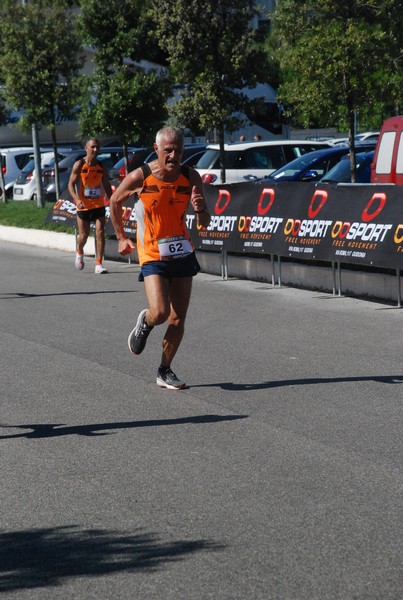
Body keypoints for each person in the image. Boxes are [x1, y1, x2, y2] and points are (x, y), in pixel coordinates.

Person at [109, 126, 210, 390]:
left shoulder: (191, 177)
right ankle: (146, 321)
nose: (173, 155)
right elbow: (114, 201)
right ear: (157, 150)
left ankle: (164, 370)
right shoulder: (141, 176)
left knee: (178, 318)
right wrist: (121, 237)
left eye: (178, 150)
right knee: (161, 312)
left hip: (181, 251)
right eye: (168, 150)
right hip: (152, 253)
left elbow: (205, 223)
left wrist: (201, 211)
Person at [68, 138, 112, 274]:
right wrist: (76, 199)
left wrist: (112, 202)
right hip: (83, 206)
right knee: (84, 235)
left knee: (100, 233)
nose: (95, 150)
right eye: (92, 147)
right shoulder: (79, 165)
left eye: (97, 147)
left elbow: (107, 185)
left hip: (98, 205)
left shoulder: (101, 166)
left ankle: (99, 264)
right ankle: (79, 251)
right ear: (86, 148)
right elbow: (70, 184)